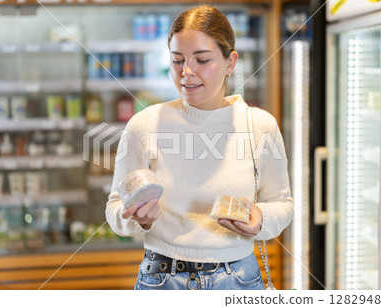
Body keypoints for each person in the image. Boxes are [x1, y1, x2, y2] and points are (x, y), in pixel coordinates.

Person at [106, 4, 293, 290]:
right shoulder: (144, 125)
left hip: (238, 280)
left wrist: (260, 220)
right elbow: (115, 207)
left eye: (202, 60)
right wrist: (135, 219)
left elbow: (283, 205)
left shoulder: (260, 127)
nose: (187, 72)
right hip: (162, 279)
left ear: (231, 63)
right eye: (177, 60)